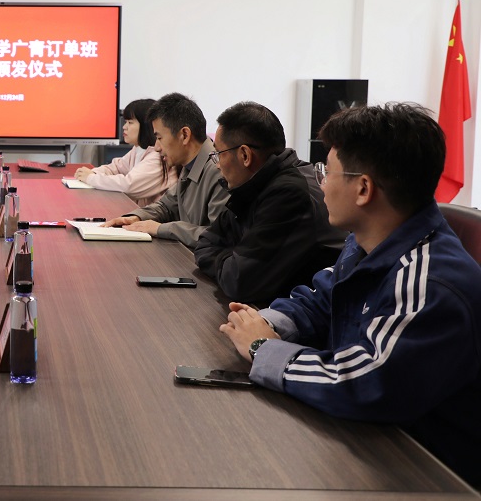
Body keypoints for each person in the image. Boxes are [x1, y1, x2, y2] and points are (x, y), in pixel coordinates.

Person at [218, 103, 481, 487]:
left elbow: (364, 382)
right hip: (364, 444)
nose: (321, 183)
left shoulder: (429, 282)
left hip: (424, 476)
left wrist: (261, 347)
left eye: (327, 171)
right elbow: (320, 299)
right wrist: (260, 322)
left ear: (363, 189)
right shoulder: (365, 243)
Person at [193, 102, 344, 303]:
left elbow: (240, 282)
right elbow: (206, 242)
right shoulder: (255, 185)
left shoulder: (288, 194)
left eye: (219, 154)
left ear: (245, 155)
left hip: (306, 315)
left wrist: (228, 257)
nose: (217, 165)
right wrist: (230, 258)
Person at [103, 93, 228, 248]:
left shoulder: (220, 170)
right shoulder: (190, 165)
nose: (156, 147)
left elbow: (217, 236)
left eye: (159, 138)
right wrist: (136, 217)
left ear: (184, 135)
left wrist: (160, 228)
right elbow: (166, 206)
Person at [73, 99, 176, 207]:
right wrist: (92, 173)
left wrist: (90, 178)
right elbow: (115, 168)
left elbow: (129, 186)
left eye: (130, 123)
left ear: (146, 126)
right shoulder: (138, 150)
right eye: (125, 122)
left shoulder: (158, 157)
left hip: (153, 216)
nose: (124, 127)